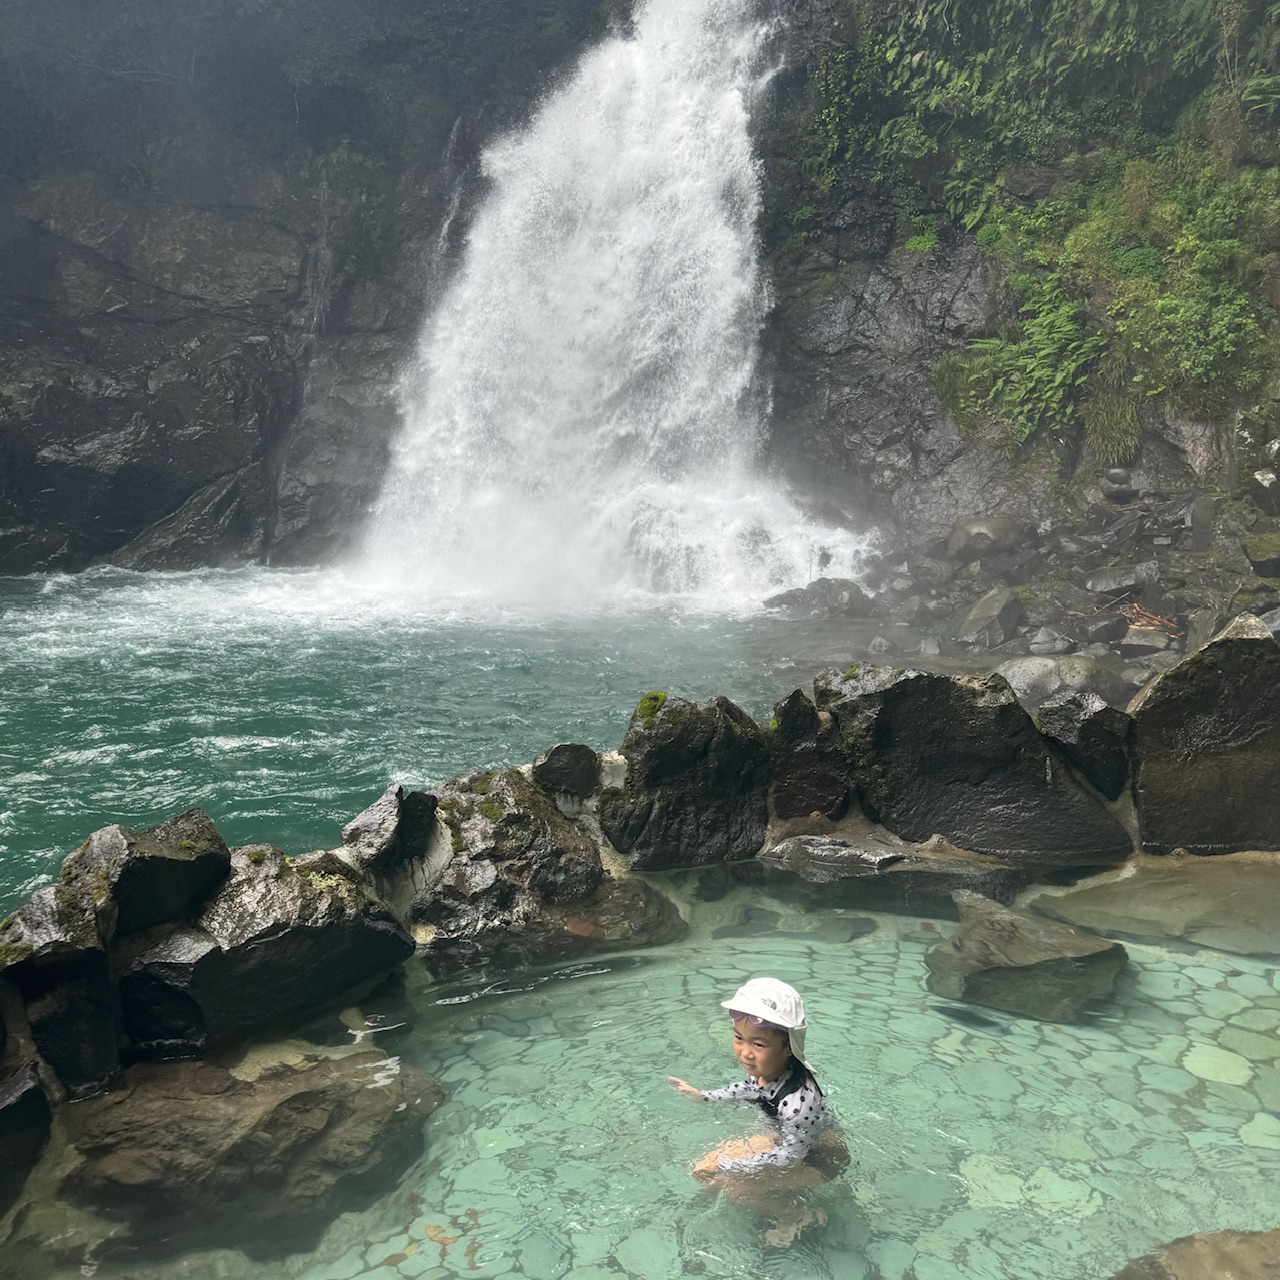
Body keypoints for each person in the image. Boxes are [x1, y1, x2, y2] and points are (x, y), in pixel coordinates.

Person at [668, 976, 847, 1247]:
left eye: (759, 1044)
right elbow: (748, 1089)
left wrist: (737, 1167)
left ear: (788, 1047)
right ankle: (778, 1196)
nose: (745, 1053)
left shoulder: (801, 1102)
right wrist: (704, 1098)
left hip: (821, 1158)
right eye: (739, 1038)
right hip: (782, 1141)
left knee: (737, 1188)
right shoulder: (768, 1073)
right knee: (703, 1170)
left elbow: (792, 1155)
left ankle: (799, 1215)